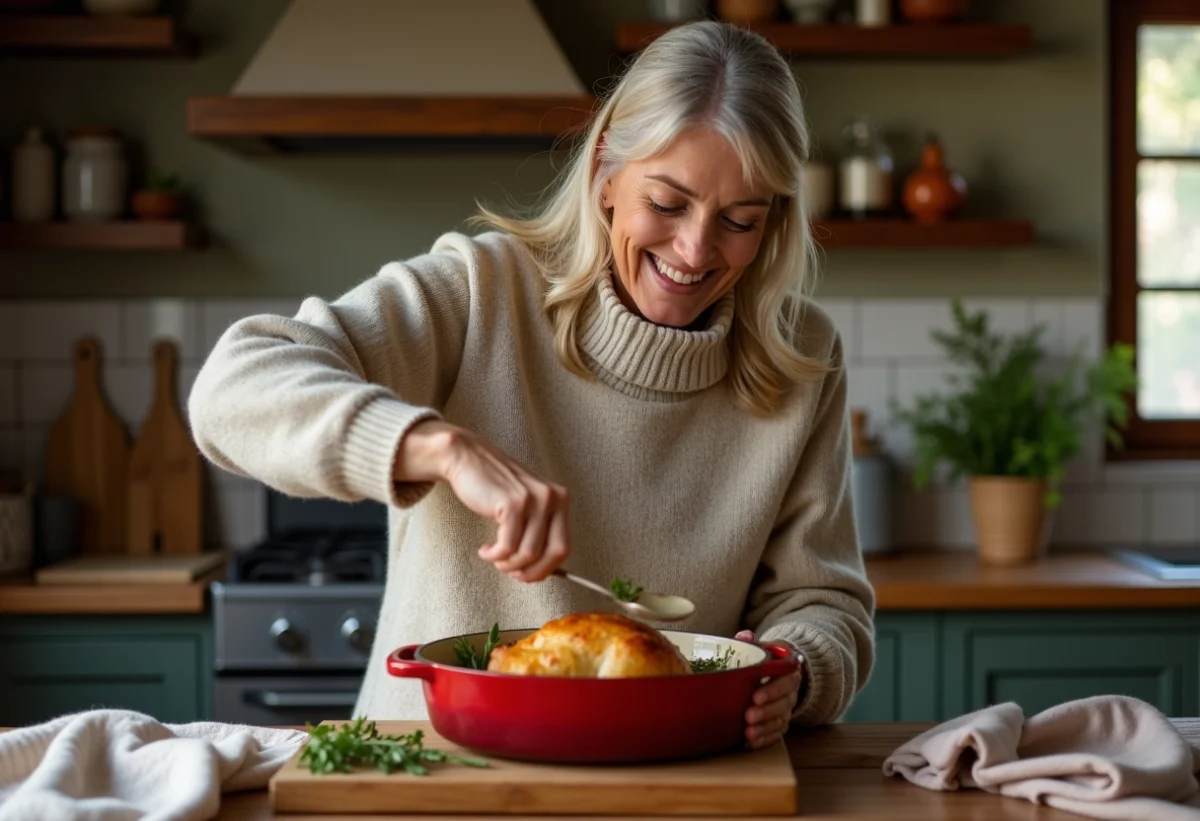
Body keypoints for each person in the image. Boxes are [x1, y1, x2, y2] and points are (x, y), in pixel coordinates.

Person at [188, 19, 876, 749]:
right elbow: (233, 386)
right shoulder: (480, 291)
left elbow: (822, 599)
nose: (695, 249)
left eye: (739, 219)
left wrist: (794, 668)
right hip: (429, 764)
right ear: (607, 173)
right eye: (668, 204)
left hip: (664, 774)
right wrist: (438, 446)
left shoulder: (802, 356)